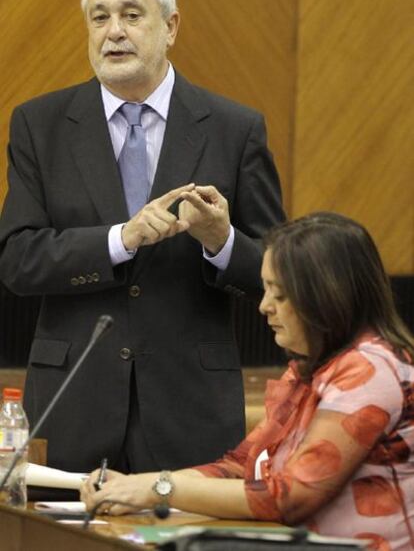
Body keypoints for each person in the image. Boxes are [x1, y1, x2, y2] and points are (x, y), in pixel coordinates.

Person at [0, 0, 284, 474]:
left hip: (189, 413)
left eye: (132, 15)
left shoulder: (233, 129)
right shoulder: (40, 125)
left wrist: (221, 242)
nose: (114, 32)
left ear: (171, 26)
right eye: (100, 16)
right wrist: (120, 239)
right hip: (71, 409)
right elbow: (17, 260)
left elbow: (280, 275)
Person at [81, 212, 414, 550]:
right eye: (266, 290)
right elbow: (241, 466)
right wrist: (136, 486)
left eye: (279, 294)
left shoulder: (371, 368)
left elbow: (289, 496)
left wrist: (157, 489)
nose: (264, 307)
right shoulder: (308, 368)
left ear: (327, 296)